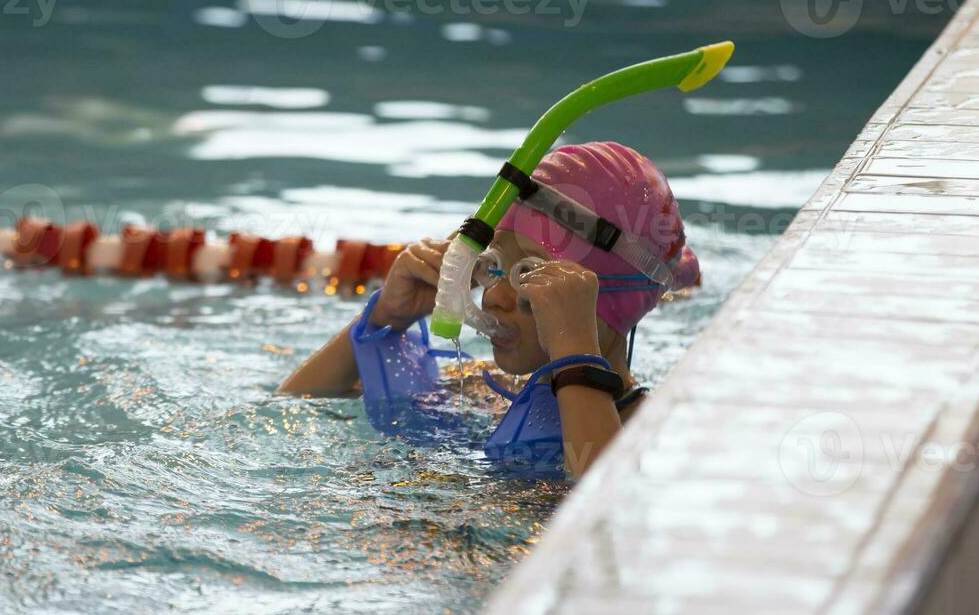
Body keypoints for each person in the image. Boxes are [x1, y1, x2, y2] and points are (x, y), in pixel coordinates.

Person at [278, 141, 698, 479]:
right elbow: (297, 405)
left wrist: (575, 351)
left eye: (530, 272)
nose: (493, 296)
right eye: (494, 264)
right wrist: (384, 319)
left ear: (603, 300)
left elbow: (604, 516)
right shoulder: (487, 391)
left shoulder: (648, 428)